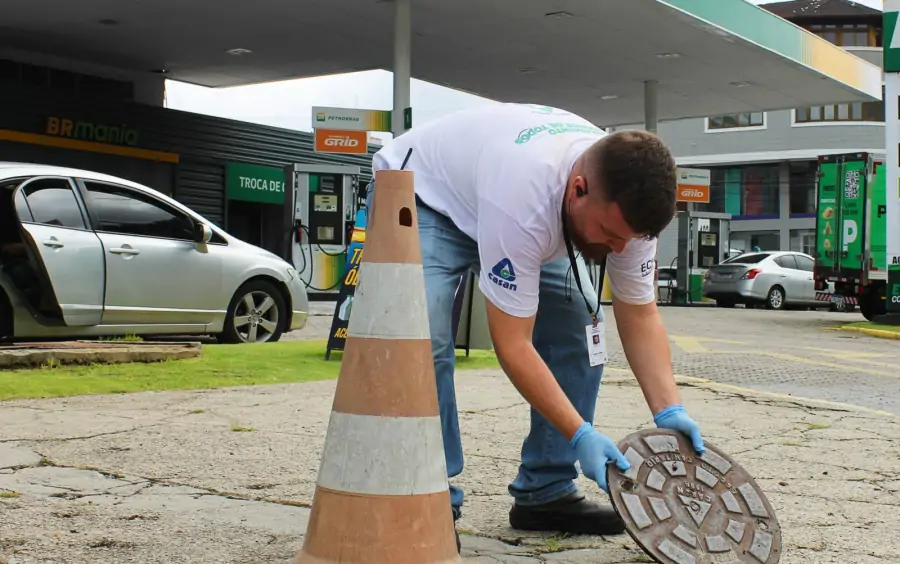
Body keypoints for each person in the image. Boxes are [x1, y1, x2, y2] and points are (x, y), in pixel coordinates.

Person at [367, 103, 706, 550]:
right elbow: (512, 342)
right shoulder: (524, 196)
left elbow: (640, 313)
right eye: (610, 234)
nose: (619, 249)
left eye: (629, 239)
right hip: (424, 195)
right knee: (421, 337)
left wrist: (669, 411)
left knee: (580, 330)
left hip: (509, 198)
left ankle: (546, 492)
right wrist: (580, 433)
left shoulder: (628, 210)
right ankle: (428, 499)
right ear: (578, 190)